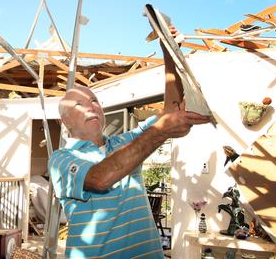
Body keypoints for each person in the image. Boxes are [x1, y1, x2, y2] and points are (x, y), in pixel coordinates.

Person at [48, 26, 211, 258]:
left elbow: (169, 112)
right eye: (79, 104)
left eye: (94, 101)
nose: (90, 106)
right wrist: (160, 131)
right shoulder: (61, 159)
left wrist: (169, 51)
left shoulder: (122, 143)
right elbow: (100, 178)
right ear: (65, 120)